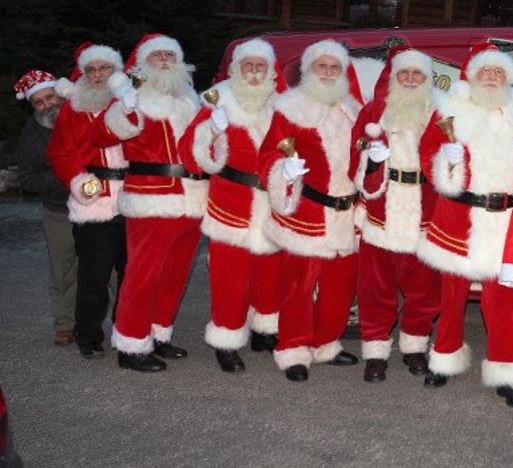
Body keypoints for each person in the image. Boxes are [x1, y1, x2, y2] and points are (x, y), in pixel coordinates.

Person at [417, 41, 513, 409]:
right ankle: (444, 358)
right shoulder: (449, 110)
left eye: (499, 72)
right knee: (450, 297)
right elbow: (426, 156)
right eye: (486, 70)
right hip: (458, 218)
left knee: (502, 301)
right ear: (472, 74)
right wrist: (446, 161)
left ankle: (505, 370)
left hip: (504, 222)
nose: (492, 77)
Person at [94, 33, 207, 373]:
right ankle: (130, 343)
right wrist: (124, 108)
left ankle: (159, 333)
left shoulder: (191, 97)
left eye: (170, 55)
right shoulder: (133, 95)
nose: (164, 61)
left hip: (193, 198)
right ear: (143, 62)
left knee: (175, 273)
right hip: (152, 197)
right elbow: (104, 134)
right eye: (156, 55)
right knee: (143, 274)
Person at [258, 39, 362, 383]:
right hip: (308, 210)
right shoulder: (289, 108)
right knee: (298, 286)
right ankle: (293, 348)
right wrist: (281, 172)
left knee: (339, 288)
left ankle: (325, 343)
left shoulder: (353, 109)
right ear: (309, 70)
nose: (329, 73)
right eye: (322, 67)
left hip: (348, 214)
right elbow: (269, 154)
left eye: (335, 67)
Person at [179, 38, 283, 373]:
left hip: (270, 203)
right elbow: (187, 151)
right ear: (237, 69)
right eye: (248, 66)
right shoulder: (217, 99)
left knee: (269, 273)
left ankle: (264, 330)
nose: (254, 72)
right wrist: (210, 130)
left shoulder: (280, 102)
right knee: (230, 278)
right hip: (231, 201)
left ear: (270, 70)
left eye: (260, 66)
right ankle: (226, 340)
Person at [349, 44, 442, 383]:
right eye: (405, 73)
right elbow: (353, 159)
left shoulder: (439, 113)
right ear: (394, 77)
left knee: (425, 289)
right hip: (381, 212)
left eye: (417, 74)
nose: (411, 79)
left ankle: (415, 346)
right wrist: (372, 161)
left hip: (425, 212)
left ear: (426, 79)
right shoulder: (374, 112)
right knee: (376, 288)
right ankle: (375, 351)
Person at [47, 43, 128, 360]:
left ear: (114, 71)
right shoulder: (73, 108)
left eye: (103, 68)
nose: (97, 75)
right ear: (82, 73)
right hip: (94, 199)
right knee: (93, 274)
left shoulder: (127, 103)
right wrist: (78, 180)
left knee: (131, 271)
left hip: (132, 197)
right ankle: (89, 336)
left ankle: (127, 330)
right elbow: (59, 153)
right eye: (91, 70)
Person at [14, 69, 77, 346]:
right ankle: (65, 323)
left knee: (110, 266)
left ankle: (124, 320)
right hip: (59, 210)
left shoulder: (82, 114)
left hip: (100, 205)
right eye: (39, 102)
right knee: (62, 269)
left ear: (60, 94)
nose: (48, 105)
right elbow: (28, 179)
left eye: (50, 97)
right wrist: (63, 173)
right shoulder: (32, 131)